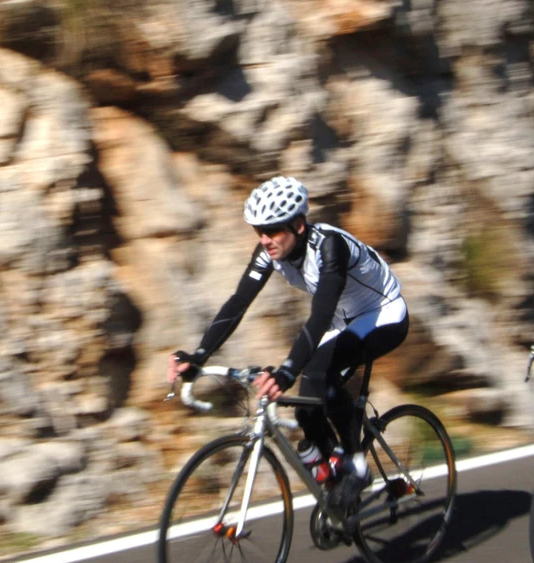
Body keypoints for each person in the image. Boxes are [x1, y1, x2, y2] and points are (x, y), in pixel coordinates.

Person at [168, 176, 410, 514]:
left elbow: (321, 314)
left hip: (382, 313)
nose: (265, 239)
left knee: (315, 371)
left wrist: (285, 372)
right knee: (306, 405)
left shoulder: (329, 247)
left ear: (298, 225)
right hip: (344, 321)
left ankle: (357, 467)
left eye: (272, 230)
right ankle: (334, 477)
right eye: (258, 232)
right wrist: (199, 355)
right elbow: (238, 303)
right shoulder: (270, 252)